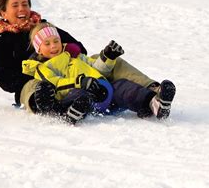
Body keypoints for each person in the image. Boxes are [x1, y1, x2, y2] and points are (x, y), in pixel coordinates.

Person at [0, 0, 176, 120]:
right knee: (33, 86)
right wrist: (39, 73)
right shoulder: (1, 45)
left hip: (73, 73)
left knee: (106, 60)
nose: (22, 9)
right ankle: (52, 108)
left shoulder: (46, 29)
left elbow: (79, 49)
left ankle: (154, 92)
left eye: (25, 4)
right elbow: (5, 80)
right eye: (15, 5)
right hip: (41, 81)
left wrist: (69, 57)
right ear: (3, 13)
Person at [22, 22, 175, 124]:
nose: (53, 46)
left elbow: (97, 68)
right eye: (47, 43)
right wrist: (79, 82)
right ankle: (72, 114)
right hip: (81, 95)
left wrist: (107, 57)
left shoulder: (76, 56)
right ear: (39, 49)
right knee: (79, 95)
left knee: (124, 87)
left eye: (56, 41)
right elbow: (55, 84)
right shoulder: (42, 68)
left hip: (103, 91)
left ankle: (154, 104)